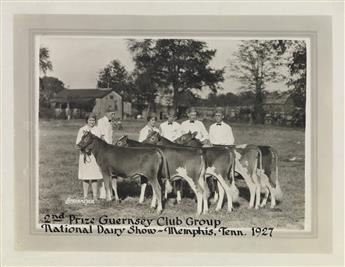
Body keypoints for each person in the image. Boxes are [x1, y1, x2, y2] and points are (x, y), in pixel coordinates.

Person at [75, 113, 103, 200]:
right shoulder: (82, 130)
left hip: (95, 157)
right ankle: (85, 196)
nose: (92, 122)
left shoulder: (98, 130)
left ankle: (95, 196)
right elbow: (78, 144)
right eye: (90, 120)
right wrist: (84, 149)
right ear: (87, 120)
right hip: (85, 156)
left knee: (95, 176)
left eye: (93, 120)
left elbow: (101, 144)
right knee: (85, 177)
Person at [97, 106, 117, 200]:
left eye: (114, 114)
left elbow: (111, 137)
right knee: (103, 171)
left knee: (110, 171)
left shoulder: (111, 123)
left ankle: (110, 193)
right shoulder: (101, 121)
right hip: (104, 149)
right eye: (112, 114)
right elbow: (100, 136)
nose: (113, 116)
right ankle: (102, 194)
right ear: (107, 113)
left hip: (110, 149)